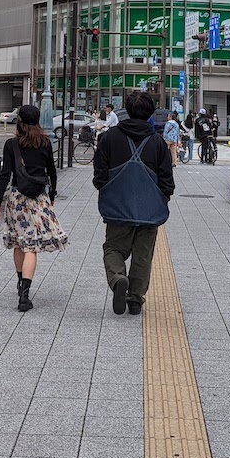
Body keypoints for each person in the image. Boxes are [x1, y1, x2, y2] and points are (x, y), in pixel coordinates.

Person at [93, 92, 175, 315]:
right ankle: (136, 299)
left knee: (113, 248)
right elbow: (167, 179)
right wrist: (162, 197)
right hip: (149, 210)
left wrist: (105, 189)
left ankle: (119, 277)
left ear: (127, 110)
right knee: (143, 254)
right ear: (150, 112)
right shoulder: (157, 142)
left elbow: (99, 172)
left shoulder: (109, 138)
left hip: (117, 206)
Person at [0, 103, 67, 312]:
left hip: (17, 198)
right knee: (31, 247)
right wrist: (51, 195)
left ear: (20, 122)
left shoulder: (11, 144)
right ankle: (25, 296)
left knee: (18, 242)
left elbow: (5, 175)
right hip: (38, 198)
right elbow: (51, 171)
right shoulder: (44, 142)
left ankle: (20, 284)